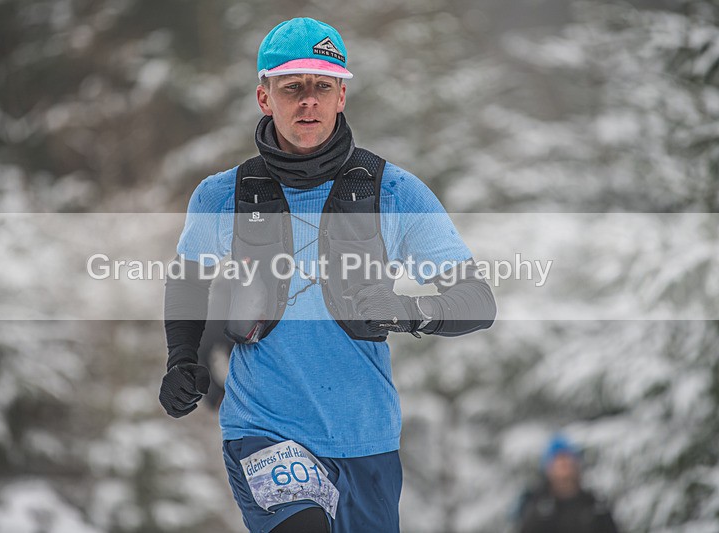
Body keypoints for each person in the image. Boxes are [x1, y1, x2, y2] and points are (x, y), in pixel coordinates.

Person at [159, 17, 496, 533]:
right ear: (264, 97)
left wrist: (409, 311)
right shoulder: (222, 196)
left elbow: (477, 300)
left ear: (342, 96)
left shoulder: (394, 193)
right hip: (264, 429)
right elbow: (188, 282)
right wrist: (182, 360)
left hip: (367, 440)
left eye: (322, 86)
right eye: (292, 87)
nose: (308, 101)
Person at [516, 434, 620, 533]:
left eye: (566, 458)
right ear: (548, 468)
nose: (563, 464)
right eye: (557, 460)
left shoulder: (594, 505)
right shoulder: (538, 508)